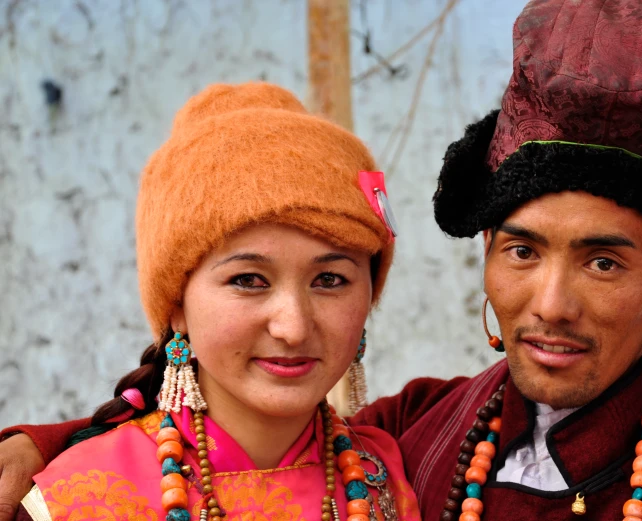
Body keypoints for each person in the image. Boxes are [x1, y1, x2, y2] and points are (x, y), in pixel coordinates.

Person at [2, 1, 642, 520]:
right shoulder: (423, 429)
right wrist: (48, 446)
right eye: (521, 249)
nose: (551, 302)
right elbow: (233, 419)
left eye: (603, 263)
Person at [1, 82, 421, 521]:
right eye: (249, 280)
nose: (293, 326)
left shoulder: (392, 473)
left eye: (330, 279)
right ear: (177, 304)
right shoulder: (77, 498)